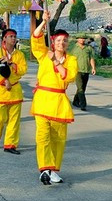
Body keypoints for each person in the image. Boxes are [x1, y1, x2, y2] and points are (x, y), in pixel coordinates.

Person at [31, 10, 78, 185]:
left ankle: (53, 170)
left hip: (59, 103)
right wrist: (43, 22)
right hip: (42, 101)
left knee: (58, 139)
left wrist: (56, 61)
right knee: (42, 137)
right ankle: (44, 169)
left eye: (65, 40)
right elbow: (35, 37)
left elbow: (69, 76)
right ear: (53, 41)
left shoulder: (71, 59)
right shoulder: (44, 54)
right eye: (58, 40)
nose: (62, 43)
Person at [0, 28, 28, 155]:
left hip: (15, 90)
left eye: (15, 36)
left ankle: (10, 144)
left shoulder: (19, 55)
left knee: (14, 120)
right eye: (10, 36)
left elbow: (22, 70)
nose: (13, 38)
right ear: (4, 38)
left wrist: (11, 64)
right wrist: (5, 81)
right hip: (0, 90)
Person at [70, 35, 97, 112]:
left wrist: (93, 68)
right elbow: (68, 58)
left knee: (82, 88)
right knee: (80, 88)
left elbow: (91, 58)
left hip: (86, 70)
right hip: (77, 70)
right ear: (77, 39)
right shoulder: (73, 48)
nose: (82, 40)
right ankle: (83, 105)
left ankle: (75, 101)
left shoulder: (88, 48)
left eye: (83, 39)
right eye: (80, 38)